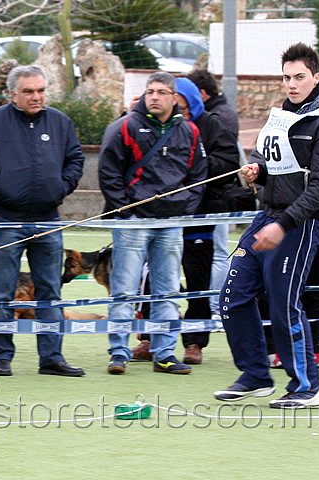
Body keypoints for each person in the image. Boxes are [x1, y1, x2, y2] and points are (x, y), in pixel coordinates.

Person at [214, 43, 319, 409]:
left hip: (300, 225)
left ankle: (309, 386)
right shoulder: (280, 117)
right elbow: (264, 156)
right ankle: (256, 375)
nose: (291, 84)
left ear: (316, 77)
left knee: (284, 303)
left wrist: (283, 225)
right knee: (231, 296)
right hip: (267, 216)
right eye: (287, 77)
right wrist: (256, 170)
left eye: (299, 77)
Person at [0, 65, 85, 377]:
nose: (37, 97)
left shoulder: (59, 122)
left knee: (49, 291)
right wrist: (0, 188)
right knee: (2, 290)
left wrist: (60, 187)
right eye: (29, 91)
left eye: (41, 90)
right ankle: (2, 355)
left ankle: (51, 357)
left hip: (48, 221)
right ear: (13, 94)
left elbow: (75, 159)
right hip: (7, 220)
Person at [99, 71, 207, 375]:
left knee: (168, 290)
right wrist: (125, 209)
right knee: (124, 289)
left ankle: (164, 352)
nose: (155, 97)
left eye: (161, 92)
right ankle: (118, 352)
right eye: (150, 91)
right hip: (133, 221)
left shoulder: (191, 132)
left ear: (174, 98)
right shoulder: (124, 127)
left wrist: (183, 209)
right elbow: (108, 171)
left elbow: (199, 176)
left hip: (171, 221)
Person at [175, 77, 240, 365]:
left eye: (184, 106)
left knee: (197, 281)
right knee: (151, 283)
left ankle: (194, 342)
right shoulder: (158, 125)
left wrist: (195, 165)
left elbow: (229, 162)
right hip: (162, 216)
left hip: (200, 215)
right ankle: (150, 338)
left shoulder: (213, 125)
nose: (181, 111)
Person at [186, 69, 241, 321]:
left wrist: (198, 167)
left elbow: (228, 159)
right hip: (201, 202)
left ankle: (215, 310)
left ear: (200, 95)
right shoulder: (223, 112)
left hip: (212, 200)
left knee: (218, 254)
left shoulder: (216, 119)